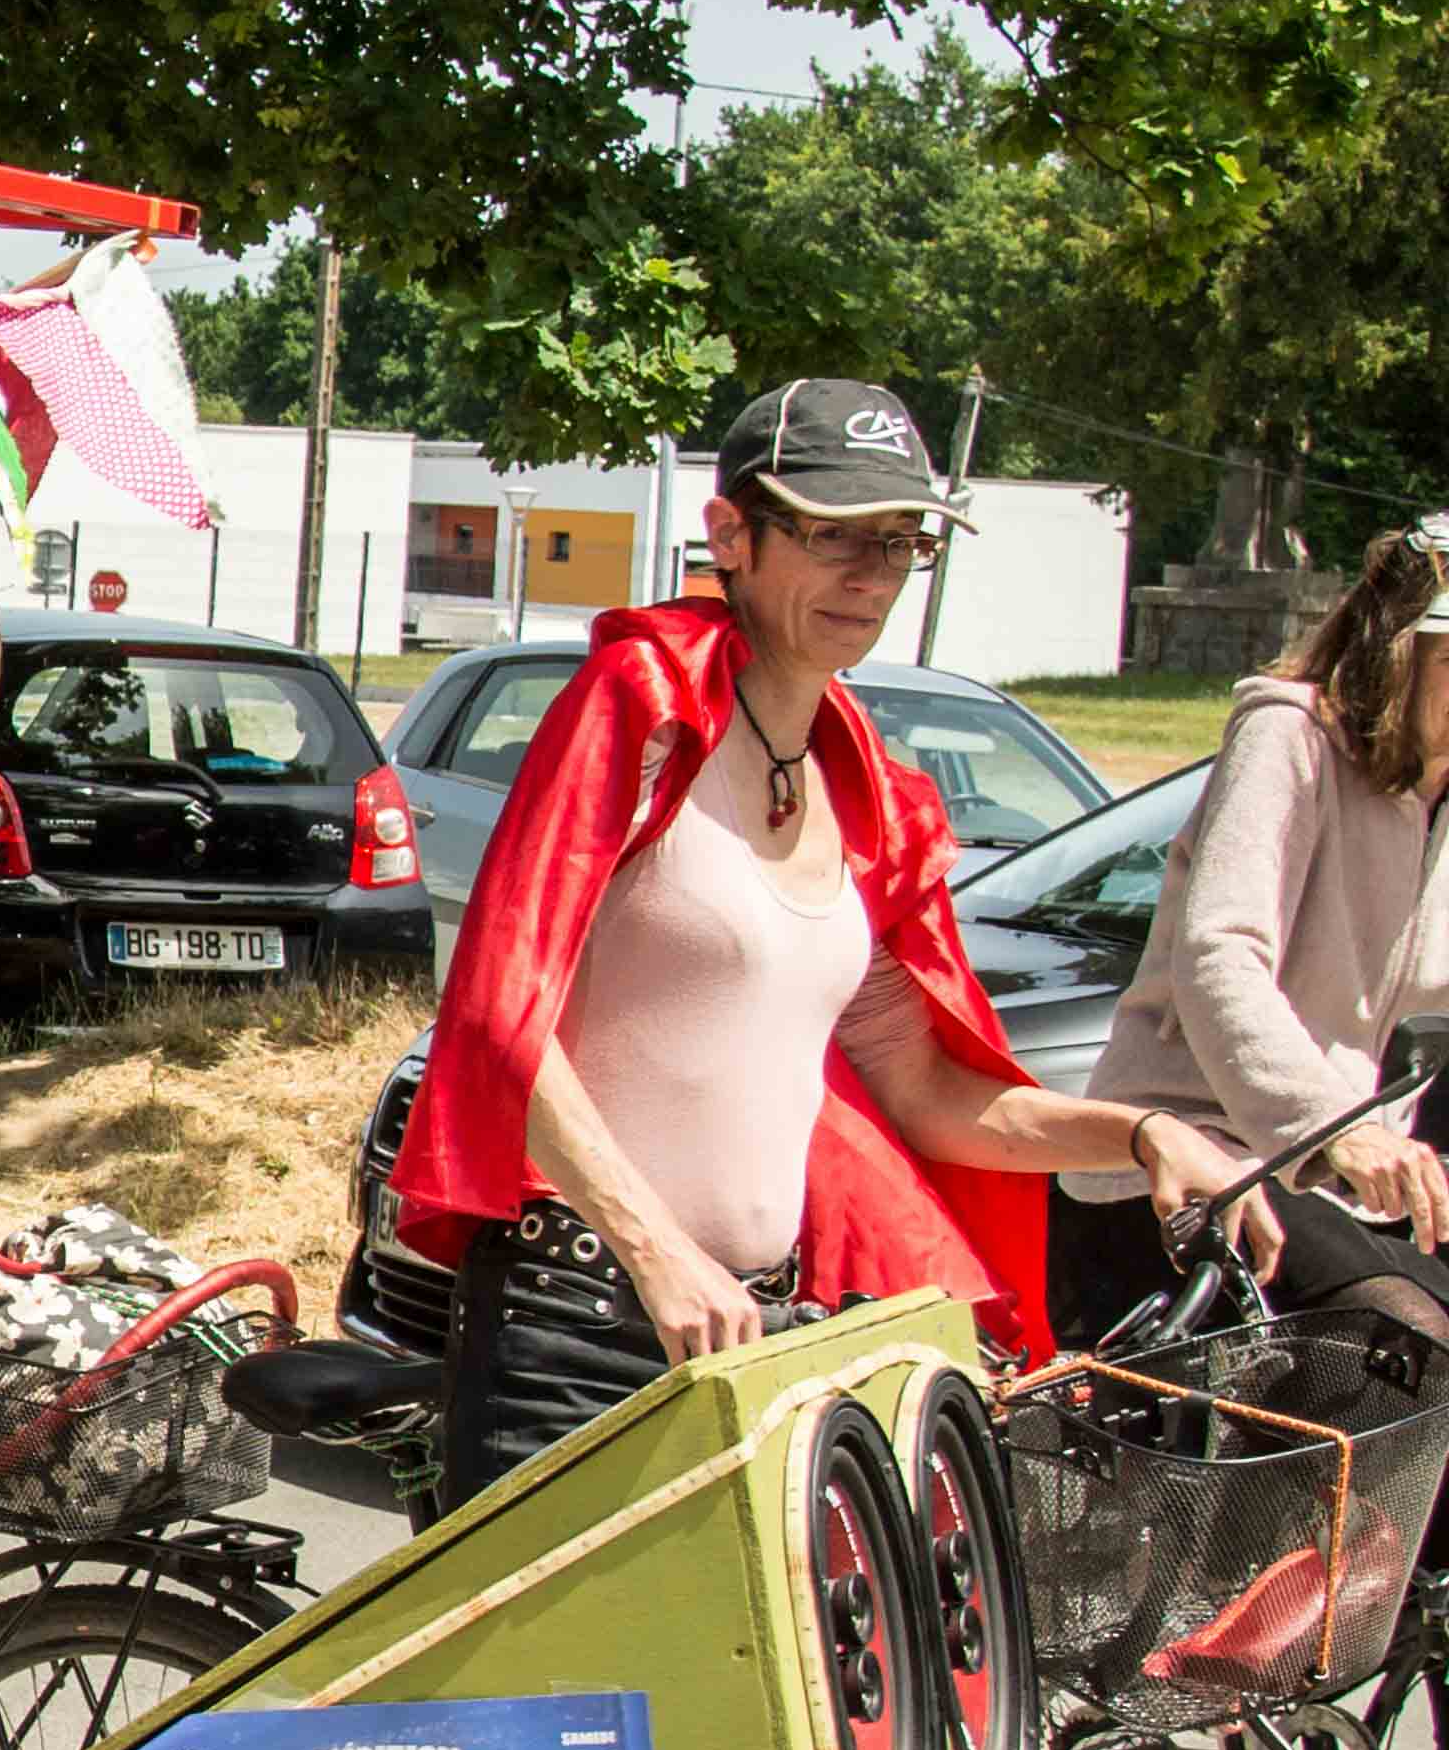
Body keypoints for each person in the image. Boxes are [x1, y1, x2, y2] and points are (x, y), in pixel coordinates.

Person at [392, 380, 1280, 1500]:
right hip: (580, 1317)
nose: (870, 576)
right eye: (833, 536)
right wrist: (658, 1250)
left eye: (899, 543)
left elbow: (930, 1095)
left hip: (756, 1326)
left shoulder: (865, 787)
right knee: (557, 1682)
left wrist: (1146, 1132)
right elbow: (496, 1014)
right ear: (733, 535)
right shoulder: (646, 706)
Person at [1050, 517, 1449, 1344]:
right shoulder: (1290, 736)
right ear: (1400, 650)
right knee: (1405, 1339)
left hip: (1341, 1188)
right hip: (1185, 1166)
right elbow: (1219, 955)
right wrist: (1339, 1130)